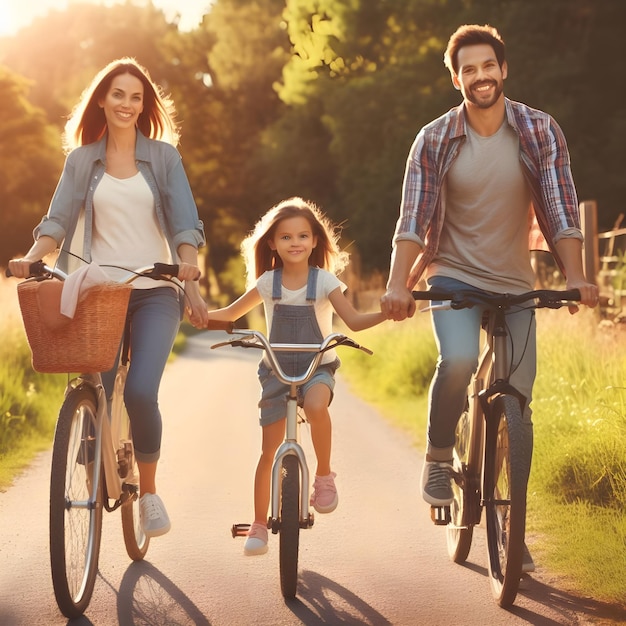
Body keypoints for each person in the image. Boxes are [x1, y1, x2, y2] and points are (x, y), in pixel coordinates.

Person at [380, 24, 598, 566]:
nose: (480, 76)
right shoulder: (434, 138)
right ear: (457, 79)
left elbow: (561, 209)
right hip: (453, 275)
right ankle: (437, 458)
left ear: (504, 70)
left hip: (515, 283)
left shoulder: (539, 129)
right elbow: (413, 219)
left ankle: (511, 529)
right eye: (468, 69)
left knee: (516, 402)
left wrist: (576, 278)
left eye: (488, 66)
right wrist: (396, 285)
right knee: (456, 360)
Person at [8, 57, 209, 538]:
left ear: (145, 106)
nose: (127, 103)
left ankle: (151, 494)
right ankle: (97, 439)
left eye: (136, 97)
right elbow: (56, 219)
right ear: (102, 99)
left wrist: (191, 277)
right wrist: (33, 255)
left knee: (140, 390)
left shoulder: (163, 158)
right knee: (95, 383)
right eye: (118, 94)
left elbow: (184, 223)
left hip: (155, 289)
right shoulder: (82, 160)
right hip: (99, 292)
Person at [205, 197, 385, 555]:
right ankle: (259, 523)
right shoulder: (267, 282)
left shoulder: (324, 282)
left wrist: (390, 313)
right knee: (268, 451)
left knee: (317, 405)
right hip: (276, 369)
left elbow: (354, 321)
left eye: (303, 235)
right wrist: (195, 312)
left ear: (316, 241)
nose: (295, 242)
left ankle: (324, 475)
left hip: (316, 365)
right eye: (286, 237)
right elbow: (228, 314)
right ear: (272, 243)